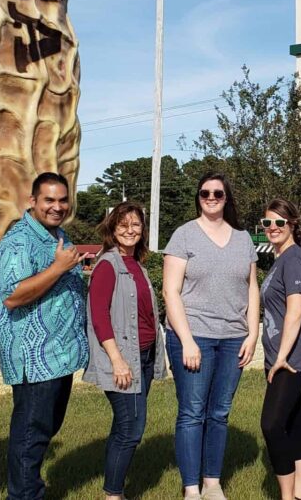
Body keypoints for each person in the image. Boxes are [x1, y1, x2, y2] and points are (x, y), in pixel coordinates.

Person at [162, 173, 260, 500]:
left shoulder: (244, 238)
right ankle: (192, 488)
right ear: (198, 197)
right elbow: (170, 291)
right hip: (194, 337)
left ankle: (212, 482)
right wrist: (187, 340)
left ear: (227, 197)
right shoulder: (184, 235)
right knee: (192, 412)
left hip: (233, 338)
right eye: (205, 192)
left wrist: (252, 333)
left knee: (219, 412)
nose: (211, 197)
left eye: (218, 192)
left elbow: (251, 289)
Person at [0, 172, 89, 500]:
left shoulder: (56, 236)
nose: (57, 206)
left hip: (57, 357)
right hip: (35, 359)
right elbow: (13, 295)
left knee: (42, 433)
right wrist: (59, 268)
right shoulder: (19, 241)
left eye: (63, 199)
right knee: (29, 437)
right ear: (32, 201)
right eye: (49, 200)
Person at [83, 201, 167, 500]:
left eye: (136, 224)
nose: (130, 230)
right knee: (131, 429)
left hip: (143, 355)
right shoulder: (108, 264)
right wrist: (117, 360)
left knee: (125, 426)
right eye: (123, 225)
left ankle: (113, 490)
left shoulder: (137, 263)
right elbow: (99, 316)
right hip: (124, 360)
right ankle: (113, 495)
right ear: (112, 229)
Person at [257, 199, 301, 500]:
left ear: (292, 224)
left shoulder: (293, 258)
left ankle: (286, 495)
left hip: (293, 357)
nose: (272, 228)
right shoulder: (280, 259)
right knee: (294, 422)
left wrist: (281, 357)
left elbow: (296, 309)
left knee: (271, 424)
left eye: (279, 222)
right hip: (281, 356)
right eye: (267, 223)